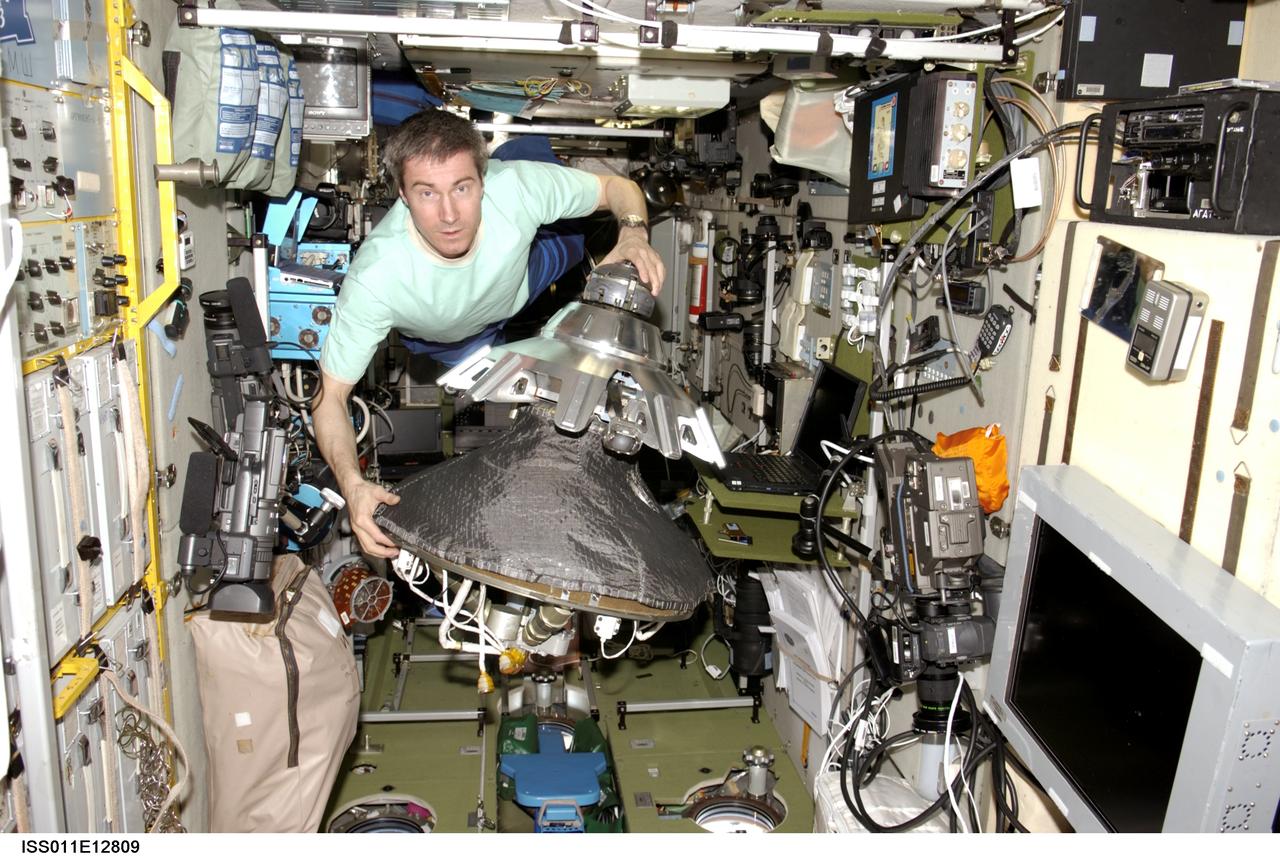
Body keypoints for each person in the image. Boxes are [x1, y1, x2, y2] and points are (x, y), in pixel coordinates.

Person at [313, 109, 666, 558]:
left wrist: (634, 233)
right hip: (456, 342)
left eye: (462, 188)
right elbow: (330, 400)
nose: (449, 215)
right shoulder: (377, 279)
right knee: (475, 373)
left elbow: (618, 188)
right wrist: (353, 484)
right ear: (401, 194)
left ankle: (532, 168)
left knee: (572, 228)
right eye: (427, 193)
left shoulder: (514, 189)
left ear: (484, 179)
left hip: (524, 276)